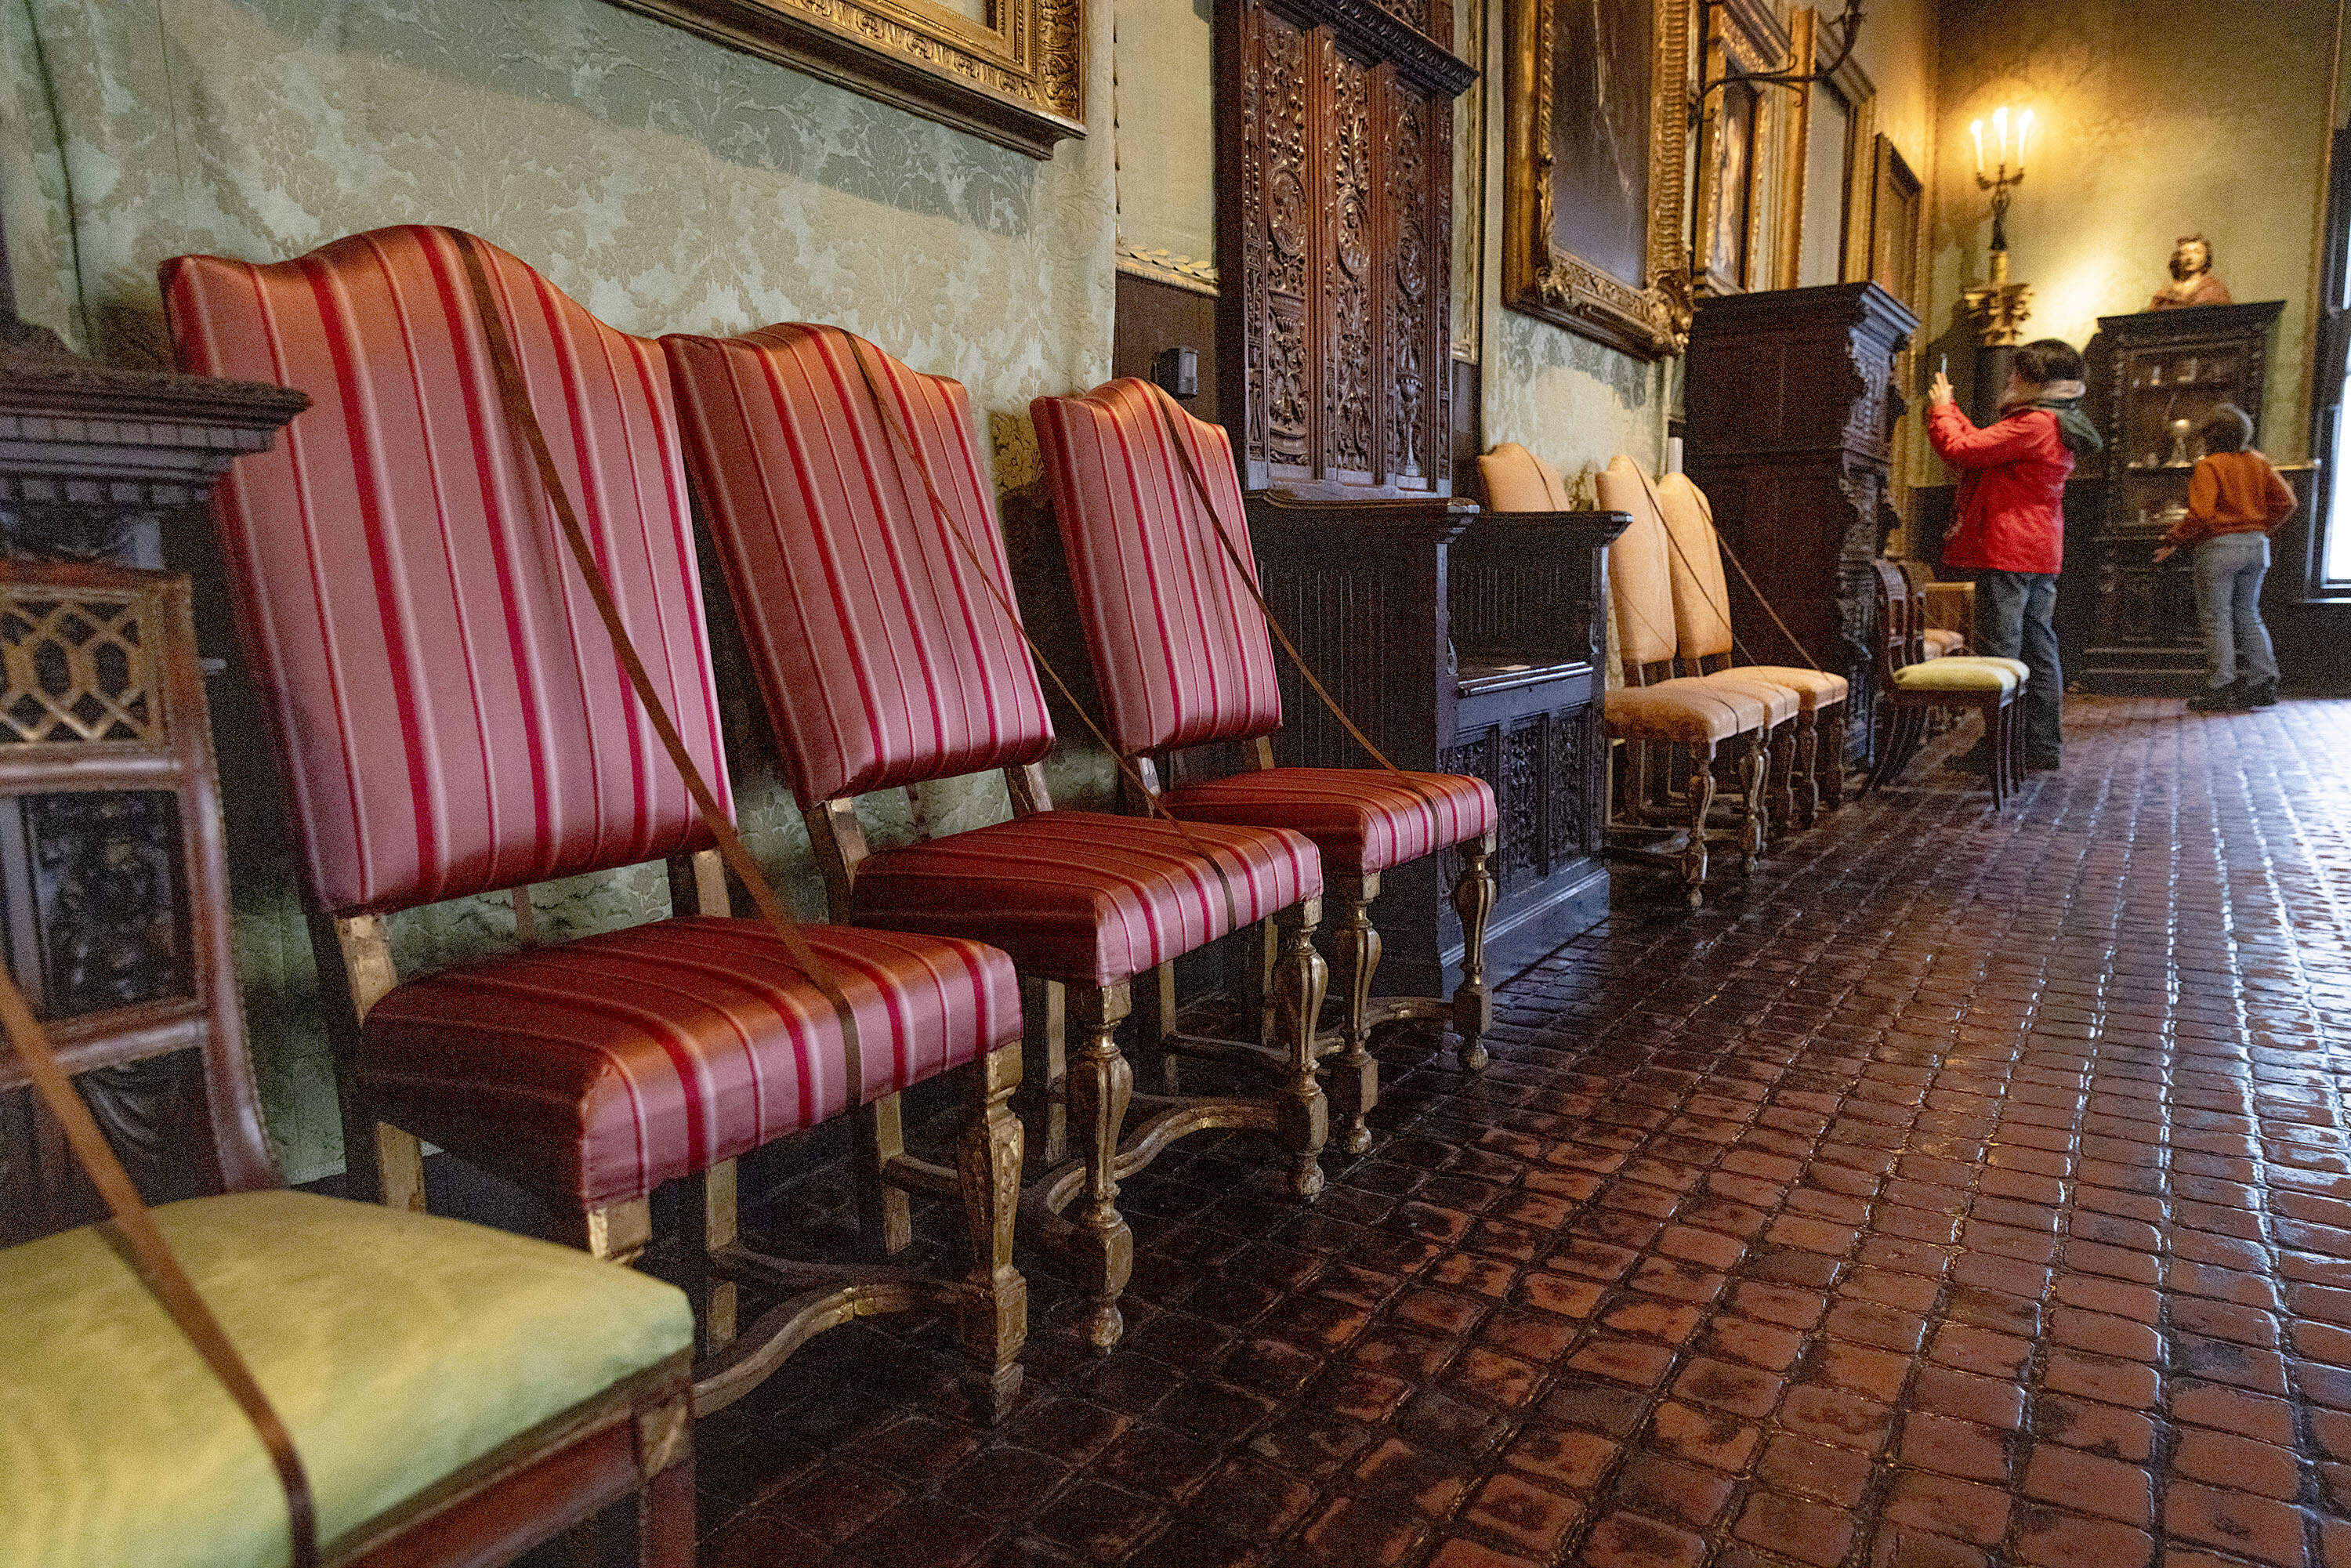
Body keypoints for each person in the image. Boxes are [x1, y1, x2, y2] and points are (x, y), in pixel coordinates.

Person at [1927, 339, 2103, 772]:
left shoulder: (2036, 423)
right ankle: (2039, 745)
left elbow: (1960, 451)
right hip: (2038, 550)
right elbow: (1984, 448)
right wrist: (1952, 411)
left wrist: (1941, 410)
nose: (2010, 378)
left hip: (2009, 549)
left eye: (2017, 373)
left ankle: (2002, 749)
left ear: (2038, 382)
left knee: (2001, 653)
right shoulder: (2054, 421)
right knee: (2038, 647)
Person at [2153, 403, 2293, 710]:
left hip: (2219, 549)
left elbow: (2201, 514)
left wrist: (2173, 537)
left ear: (2211, 434)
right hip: (2257, 547)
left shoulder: (2210, 464)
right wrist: (2260, 528)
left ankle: (2221, 685)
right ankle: (2264, 683)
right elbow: (2288, 502)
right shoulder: (2258, 461)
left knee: (2217, 618)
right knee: (2249, 614)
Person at [2150, 235, 2233, 311]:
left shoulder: (2214, 290)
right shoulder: (2164, 295)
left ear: (2206, 258)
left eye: (2197, 252)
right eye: (2185, 253)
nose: (2189, 257)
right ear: (2179, 258)